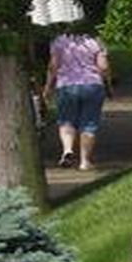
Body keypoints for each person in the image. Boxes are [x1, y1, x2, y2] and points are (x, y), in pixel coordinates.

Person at [46, 27, 112, 170]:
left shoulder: (59, 40)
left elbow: (53, 66)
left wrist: (48, 87)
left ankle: (67, 150)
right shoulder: (96, 40)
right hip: (92, 85)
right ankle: (85, 161)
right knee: (89, 124)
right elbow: (103, 67)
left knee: (66, 121)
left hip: (66, 86)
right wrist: (108, 85)